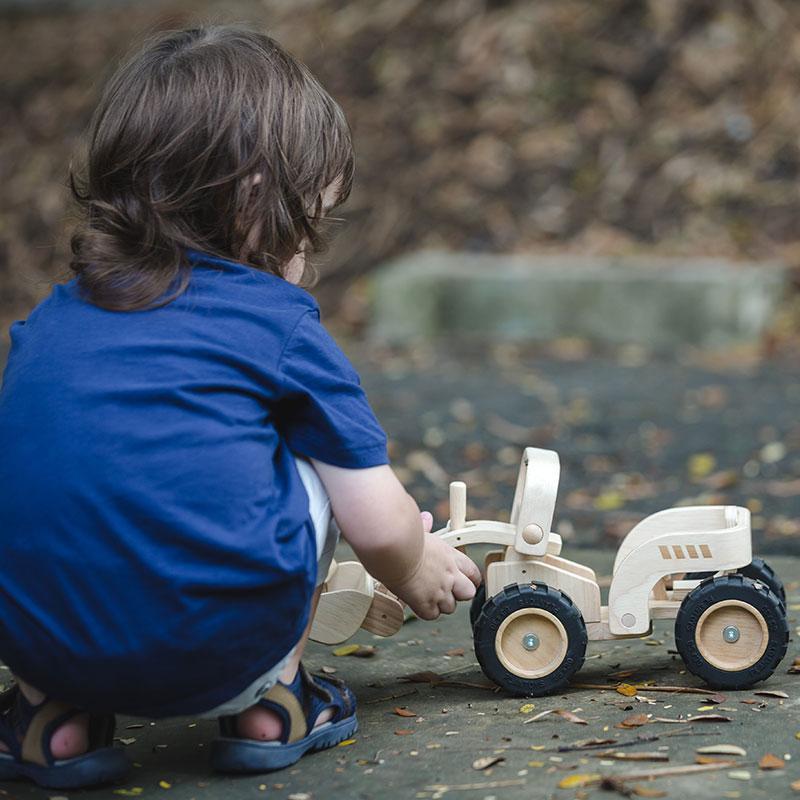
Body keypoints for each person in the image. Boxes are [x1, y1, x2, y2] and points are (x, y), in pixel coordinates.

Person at [0, 25, 481, 789]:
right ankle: (272, 703)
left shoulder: (48, 325)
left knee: (53, 474)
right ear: (257, 197)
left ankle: (53, 724)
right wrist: (418, 566)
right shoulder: (277, 324)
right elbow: (380, 524)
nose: (310, 252)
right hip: (219, 652)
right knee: (313, 456)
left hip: (42, 641)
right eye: (310, 219)